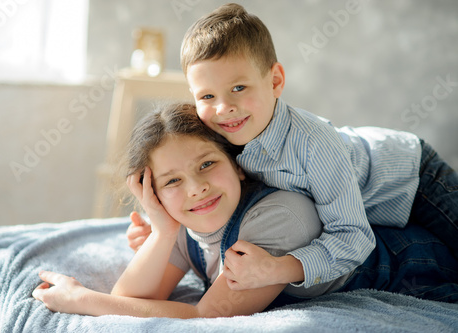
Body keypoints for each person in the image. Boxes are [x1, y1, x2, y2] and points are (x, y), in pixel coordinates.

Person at [129, 3, 458, 293]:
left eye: (238, 88)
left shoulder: (314, 145)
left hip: (413, 179)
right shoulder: (220, 134)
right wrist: (157, 227)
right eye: (207, 96)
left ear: (275, 81)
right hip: (356, 206)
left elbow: (353, 235)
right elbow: (188, 174)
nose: (223, 108)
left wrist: (277, 268)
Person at [32, 103, 457, 319]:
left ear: (236, 162)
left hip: (423, 263)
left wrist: (82, 299)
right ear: (153, 192)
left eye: (206, 165)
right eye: (172, 181)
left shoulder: (279, 216)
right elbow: (133, 299)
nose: (196, 188)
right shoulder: (184, 222)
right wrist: (161, 231)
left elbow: (207, 315)